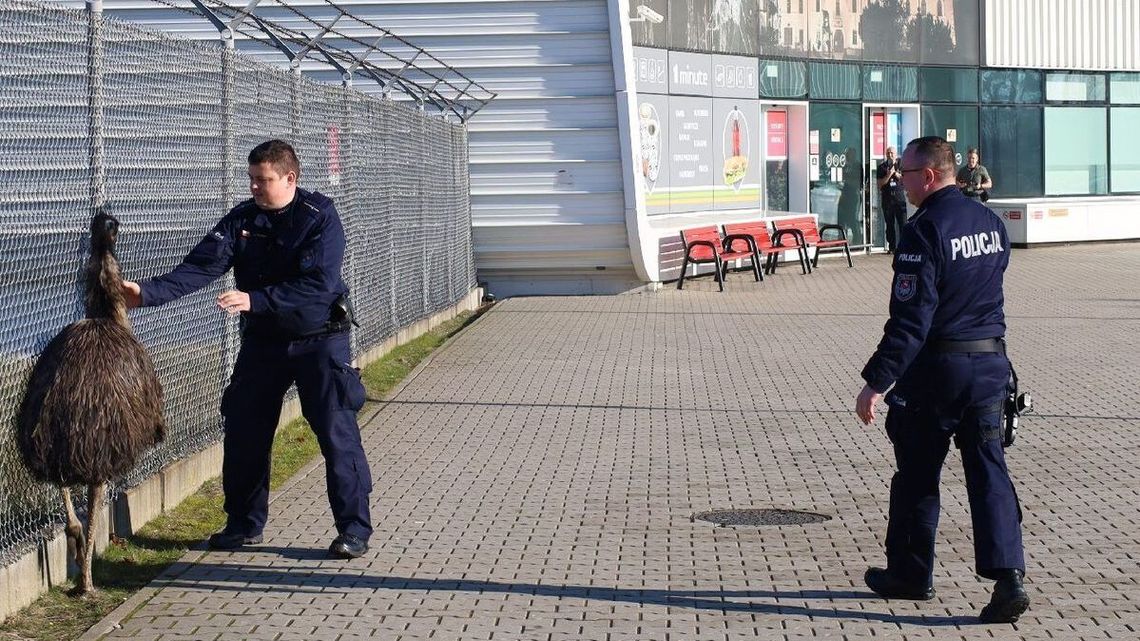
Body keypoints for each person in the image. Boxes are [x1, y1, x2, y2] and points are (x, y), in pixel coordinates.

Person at [123, 140, 373, 559]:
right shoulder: (242, 219)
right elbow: (200, 267)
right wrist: (145, 294)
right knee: (244, 431)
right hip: (263, 344)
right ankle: (243, 523)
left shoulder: (319, 217)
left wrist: (256, 300)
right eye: (252, 179)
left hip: (319, 340)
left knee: (335, 433)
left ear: (290, 178)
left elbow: (320, 284)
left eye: (264, 180)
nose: (255, 187)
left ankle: (353, 529)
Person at [854, 136, 1029, 624]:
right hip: (991, 366)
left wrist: (876, 382)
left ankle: (911, 575)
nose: (900, 182)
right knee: (989, 472)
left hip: (937, 372)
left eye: (906, 175)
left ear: (928, 176)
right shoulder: (990, 224)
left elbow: (911, 321)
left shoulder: (923, 231)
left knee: (916, 473)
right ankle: (1009, 578)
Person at [876, 146, 908, 253]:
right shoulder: (881, 167)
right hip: (887, 199)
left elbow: (906, 181)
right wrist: (889, 175)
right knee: (889, 224)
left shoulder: (901, 165)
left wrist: (896, 174)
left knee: (902, 223)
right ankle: (892, 247)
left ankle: (904, 247)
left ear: (896, 154)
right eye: (888, 153)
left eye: (892, 153)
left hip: (899, 199)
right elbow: (880, 184)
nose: (890, 155)